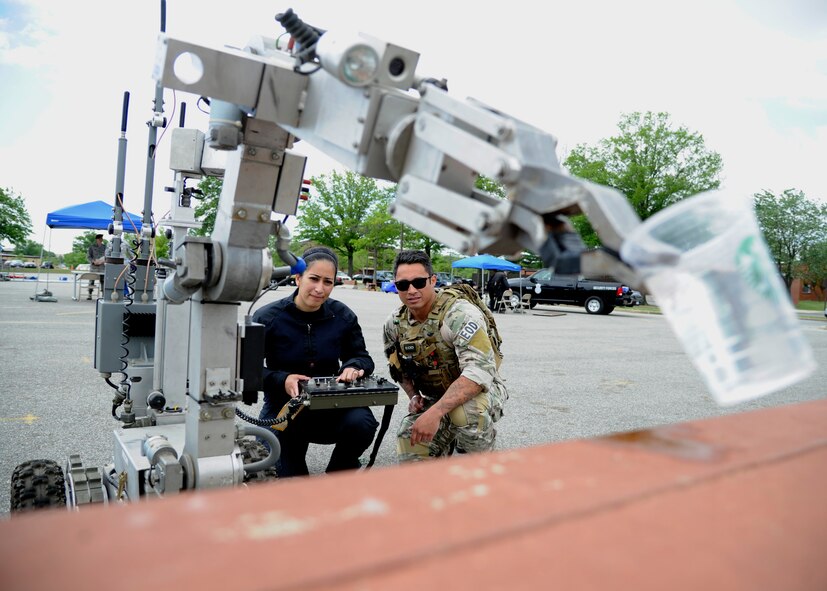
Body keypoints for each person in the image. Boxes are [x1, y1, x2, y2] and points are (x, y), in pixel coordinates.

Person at [252, 246, 378, 477]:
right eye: (314, 279)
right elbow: (245, 370)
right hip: (283, 407)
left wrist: (354, 366)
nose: (320, 289)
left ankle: (338, 474)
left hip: (330, 405)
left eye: (328, 282)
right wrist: (282, 379)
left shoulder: (343, 316)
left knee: (362, 422)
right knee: (294, 482)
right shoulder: (266, 318)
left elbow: (362, 357)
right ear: (298, 278)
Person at [383, 250, 508, 461]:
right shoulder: (394, 324)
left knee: (466, 414)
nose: (411, 290)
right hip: (437, 395)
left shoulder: (459, 314)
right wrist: (414, 396)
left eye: (419, 282)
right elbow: (398, 369)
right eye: (403, 285)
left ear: (433, 280)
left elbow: (479, 372)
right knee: (410, 442)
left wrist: (435, 413)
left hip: (480, 392)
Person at [85, 234, 106, 300]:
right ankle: (90, 294)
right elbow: (88, 256)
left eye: (102, 238)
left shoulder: (105, 247)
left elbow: (107, 256)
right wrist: (93, 261)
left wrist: (103, 261)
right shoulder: (92, 247)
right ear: (97, 239)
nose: (101, 240)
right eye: (100, 238)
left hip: (102, 267)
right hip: (94, 267)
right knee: (91, 280)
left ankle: (103, 295)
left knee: (103, 281)